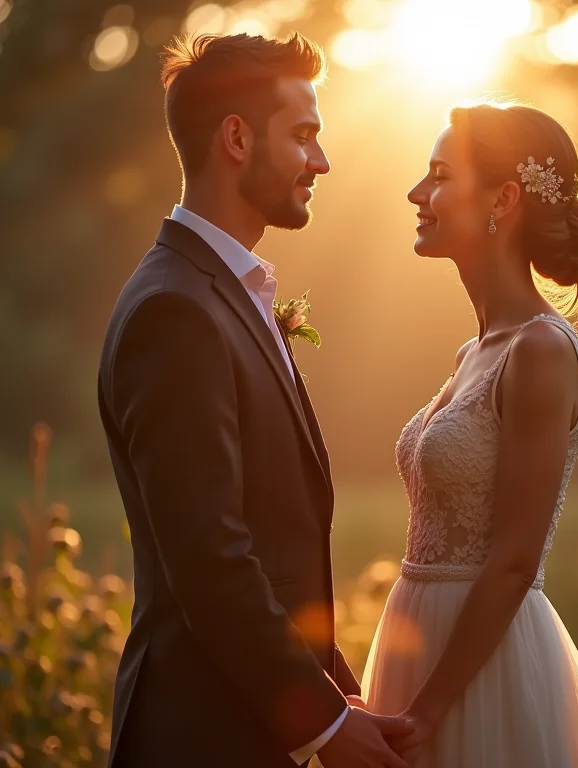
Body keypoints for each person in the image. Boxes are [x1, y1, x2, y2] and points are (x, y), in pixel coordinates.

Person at [98, 32, 412, 768]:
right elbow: (210, 558)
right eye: (304, 135)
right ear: (236, 138)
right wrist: (326, 728)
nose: (322, 161)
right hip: (198, 737)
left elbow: (275, 544)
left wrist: (337, 695)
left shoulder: (222, 296)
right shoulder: (173, 312)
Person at [361, 102, 578, 767]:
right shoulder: (471, 353)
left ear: (503, 198)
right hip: (414, 642)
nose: (417, 193)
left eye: (440, 175)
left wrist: (427, 711)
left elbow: (513, 561)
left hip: (480, 672)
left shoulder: (540, 351)